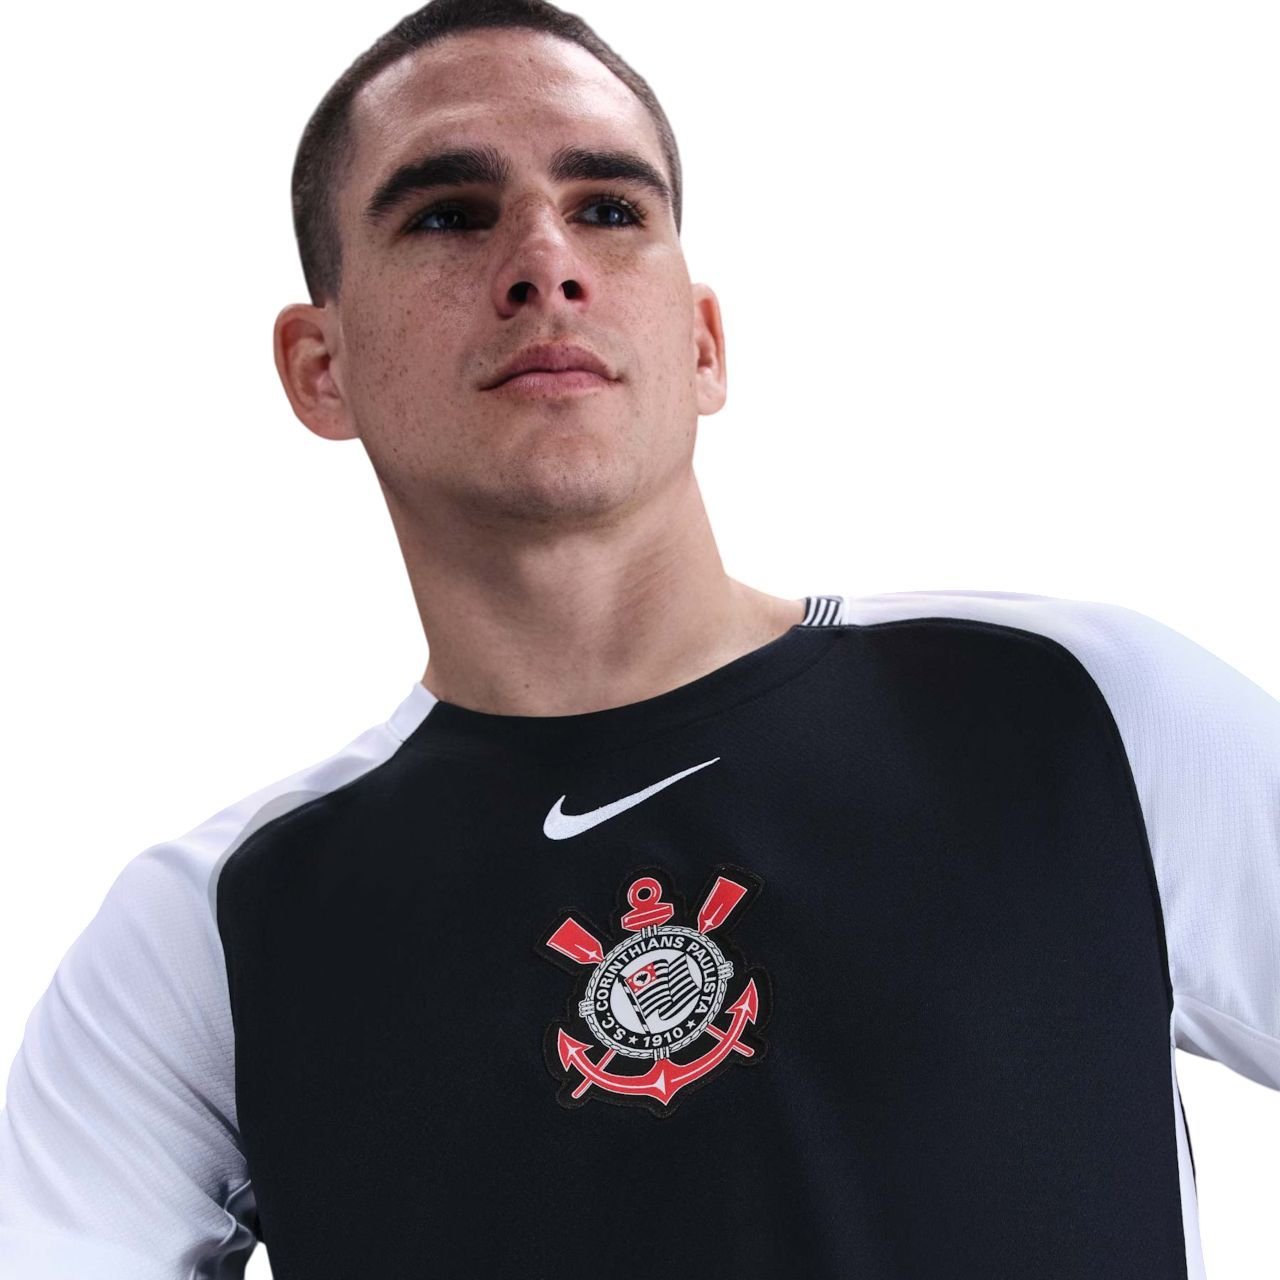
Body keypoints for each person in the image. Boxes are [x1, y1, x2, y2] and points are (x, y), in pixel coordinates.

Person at [0, 0, 1276, 1275]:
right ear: (317, 366)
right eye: (447, 215)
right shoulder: (205, 936)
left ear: (703, 343)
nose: (544, 262)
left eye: (608, 208)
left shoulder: (1068, 712)